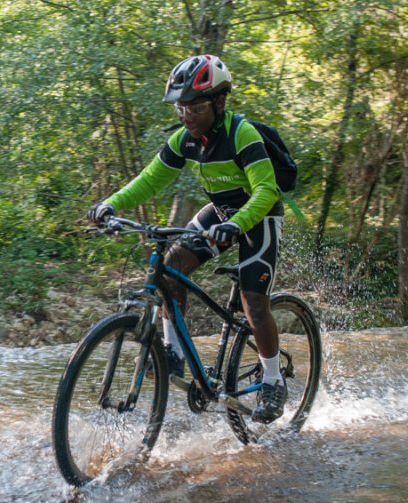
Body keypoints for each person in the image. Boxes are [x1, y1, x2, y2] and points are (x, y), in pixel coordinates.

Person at [87, 55, 287, 424]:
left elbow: (266, 190)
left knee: (253, 301)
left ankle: (273, 380)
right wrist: (110, 204)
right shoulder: (183, 141)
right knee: (170, 266)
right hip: (222, 212)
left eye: (195, 106)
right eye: (181, 107)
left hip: (259, 214)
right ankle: (172, 351)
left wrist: (238, 224)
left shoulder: (242, 135)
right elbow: (149, 180)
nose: (186, 116)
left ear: (219, 102)